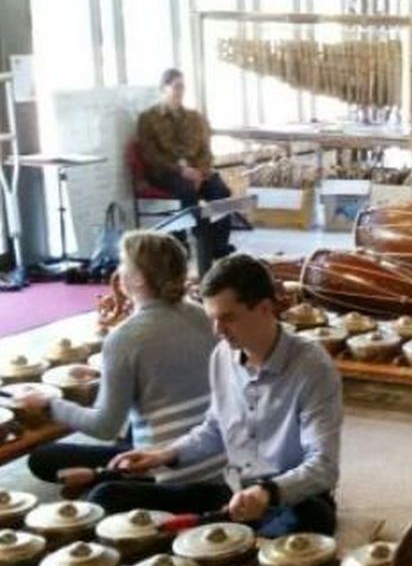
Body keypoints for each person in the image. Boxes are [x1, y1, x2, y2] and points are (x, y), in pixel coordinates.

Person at [93, 254, 343, 536]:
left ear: (264, 308)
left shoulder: (313, 367)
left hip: (291, 499)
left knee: (306, 523)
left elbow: (324, 466)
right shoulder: (222, 356)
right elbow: (215, 429)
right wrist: (166, 454)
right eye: (212, 319)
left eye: (228, 318)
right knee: (106, 495)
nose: (217, 331)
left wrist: (267, 492)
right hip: (235, 493)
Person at [20, 231, 219, 487]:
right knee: (128, 434)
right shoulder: (204, 314)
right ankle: (104, 474)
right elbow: (170, 375)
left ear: (138, 279)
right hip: (219, 457)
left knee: (44, 458)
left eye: (124, 263)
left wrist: (50, 405)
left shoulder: (125, 338)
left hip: (167, 467)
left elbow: (105, 427)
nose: (119, 269)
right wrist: (105, 375)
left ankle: (107, 478)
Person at [136, 68, 235, 277]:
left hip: (197, 172)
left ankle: (218, 246)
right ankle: (182, 246)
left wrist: (200, 171)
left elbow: (206, 151)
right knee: (186, 191)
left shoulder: (194, 118)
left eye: (183, 87)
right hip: (166, 172)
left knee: (221, 191)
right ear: (163, 88)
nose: (181, 91)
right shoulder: (148, 119)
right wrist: (182, 170)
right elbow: (150, 155)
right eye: (176, 86)